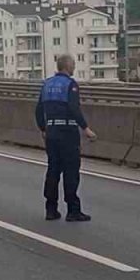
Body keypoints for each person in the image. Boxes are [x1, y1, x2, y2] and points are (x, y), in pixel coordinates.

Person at [35, 54, 97, 221]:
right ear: (67, 66)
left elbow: (39, 110)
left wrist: (43, 128)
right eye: (73, 64)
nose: (74, 67)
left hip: (52, 133)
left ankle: (51, 209)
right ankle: (73, 210)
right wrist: (86, 129)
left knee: (53, 170)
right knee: (71, 171)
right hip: (68, 133)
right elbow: (74, 109)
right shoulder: (71, 85)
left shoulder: (46, 84)